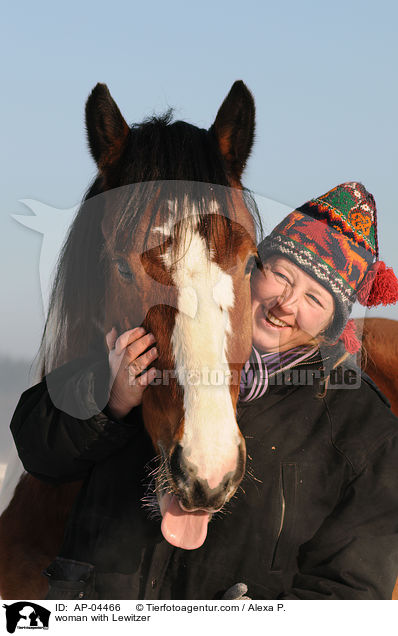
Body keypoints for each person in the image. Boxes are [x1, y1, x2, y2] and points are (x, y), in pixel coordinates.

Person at [10, 182, 398, 600]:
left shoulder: (363, 428)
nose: (286, 304)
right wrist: (113, 400)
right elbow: (38, 451)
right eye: (281, 276)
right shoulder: (159, 342)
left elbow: (352, 590)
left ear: (333, 324)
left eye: (315, 298)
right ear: (247, 272)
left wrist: (262, 623)